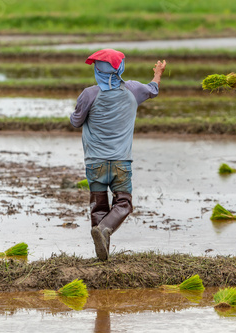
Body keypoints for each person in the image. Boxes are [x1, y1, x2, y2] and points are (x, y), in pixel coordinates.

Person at [70, 49, 166, 260]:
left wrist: (76, 114)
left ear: (97, 70)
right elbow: (152, 89)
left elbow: (76, 121)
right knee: (124, 203)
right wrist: (158, 72)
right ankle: (104, 239)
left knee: (99, 207)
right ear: (120, 68)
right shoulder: (133, 89)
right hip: (122, 162)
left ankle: (101, 251)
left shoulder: (89, 94)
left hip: (95, 163)